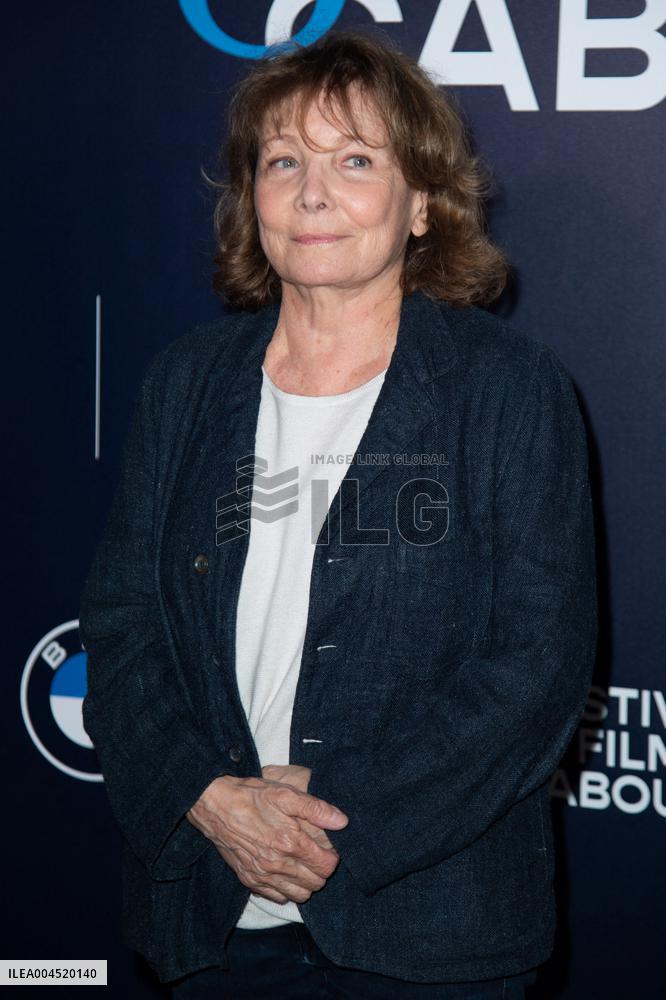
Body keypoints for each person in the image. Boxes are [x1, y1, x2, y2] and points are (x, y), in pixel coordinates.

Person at [79, 28, 598, 1000]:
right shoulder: (184, 384)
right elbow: (120, 630)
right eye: (285, 163)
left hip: (429, 933)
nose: (313, 192)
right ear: (254, 200)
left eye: (356, 161)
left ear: (422, 205)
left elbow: (537, 665)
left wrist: (334, 820)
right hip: (211, 914)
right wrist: (209, 798)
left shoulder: (507, 389)